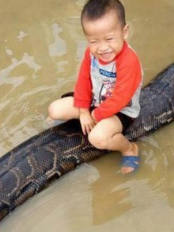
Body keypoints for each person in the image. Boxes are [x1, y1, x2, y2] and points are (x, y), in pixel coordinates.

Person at [47, 0, 142, 174]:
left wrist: (95, 115)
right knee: (54, 110)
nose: (102, 47)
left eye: (109, 39)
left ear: (125, 32)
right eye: (94, 41)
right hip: (96, 101)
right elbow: (83, 80)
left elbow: (120, 98)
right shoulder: (91, 54)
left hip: (121, 111)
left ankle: (128, 148)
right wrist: (83, 111)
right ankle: (84, 118)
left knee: (97, 138)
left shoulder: (129, 61)